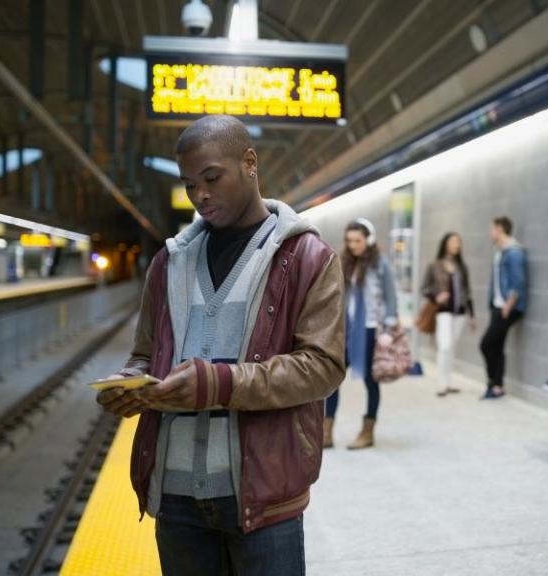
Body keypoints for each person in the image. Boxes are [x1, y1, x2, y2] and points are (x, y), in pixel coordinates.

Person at [95, 115, 345, 576]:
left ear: (249, 163)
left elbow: (323, 367)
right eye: (190, 184)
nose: (200, 195)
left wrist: (220, 383)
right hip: (175, 498)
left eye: (212, 178)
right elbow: (146, 355)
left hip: (262, 497)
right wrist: (130, 384)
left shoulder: (308, 258)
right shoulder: (168, 263)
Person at [323, 218, 398, 450]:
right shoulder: (343, 263)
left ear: (369, 240)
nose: (353, 245)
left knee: (370, 381)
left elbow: (390, 298)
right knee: (333, 379)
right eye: (350, 240)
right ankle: (326, 432)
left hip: (370, 330)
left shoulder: (380, 265)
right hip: (346, 329)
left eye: (358, 240)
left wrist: (387, 329)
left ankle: (367, 432)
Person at [421, 232, 476, 396]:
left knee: (452, 347)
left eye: (459, 242)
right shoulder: (435, 265)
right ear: (445, 243)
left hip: (459, 312)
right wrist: (436, 296)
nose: (456, 244)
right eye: (453, 241)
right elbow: (424, 288)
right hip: (443, 311)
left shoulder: (462, 267)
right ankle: (441, 383)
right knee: (444, 345)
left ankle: (448, 381)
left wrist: (471, 315)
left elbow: (468, 291)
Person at [480, 216, 527, 399]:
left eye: (492, 229)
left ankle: (494, 383)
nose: (490, 233)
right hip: (497, 306)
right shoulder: (499, 251)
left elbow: (519, 282)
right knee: (496, 347)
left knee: (486, 345)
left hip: (507, 308)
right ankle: (497, 386)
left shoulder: (514, 252)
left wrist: (509, 305)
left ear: (500, 229)